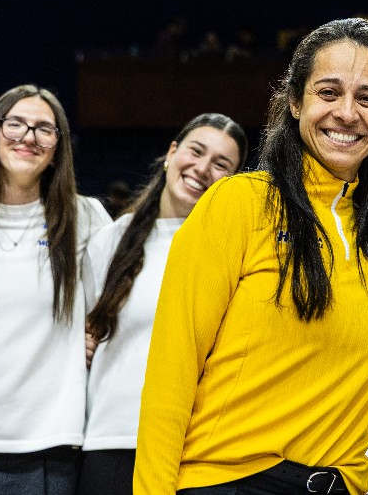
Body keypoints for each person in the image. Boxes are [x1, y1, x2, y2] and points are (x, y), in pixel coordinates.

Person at [133, 17, 368, 494]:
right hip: (226, 482)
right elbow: (172, 371)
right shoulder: (238, 204)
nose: (347, 113)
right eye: (329, 92)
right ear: (295, 102)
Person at [76, 113, 248, 495]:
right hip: (112, 441)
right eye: (196, 151)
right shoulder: (112, 240)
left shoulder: (233, 252)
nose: (202, 169)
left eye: (221, 164)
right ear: (172, 152)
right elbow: (82, 328)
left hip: (194, 451)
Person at [0, 84, 112, 493]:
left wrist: (97, 334)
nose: (28, 137)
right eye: (15, 124)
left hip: (48, 443)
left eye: (44, 129)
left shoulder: (84, 216)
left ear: (58, 147)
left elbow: (120, 301)